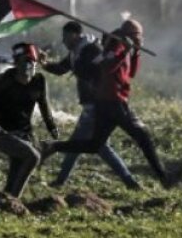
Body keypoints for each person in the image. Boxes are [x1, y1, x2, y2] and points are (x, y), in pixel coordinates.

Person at [43, 18, 182, 189]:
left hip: (107, 102)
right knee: (143, 138)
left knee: (95, 145)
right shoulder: (114, 45)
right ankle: (164, 177)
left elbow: (131, 73)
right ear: (133, 35)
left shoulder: (122, 46)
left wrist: (135, 53)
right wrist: (125, 52)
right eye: (139, 38)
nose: (141, 40)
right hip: (113, 100)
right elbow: (107, 68)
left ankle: (53, 146)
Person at [42, 21, 139, 189]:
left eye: (65, 37)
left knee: (79, 143)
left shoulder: (91, 50)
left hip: (96, 103)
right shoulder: (77, 52)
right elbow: (61, 69)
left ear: (74, 35)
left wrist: (78, 67)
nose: (63, 41)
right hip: (92, 104)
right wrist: (44, 63)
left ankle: (60, 180)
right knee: (99, 146)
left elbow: (95, 72)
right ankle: (130, 182)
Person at [0, 42, 58, 198]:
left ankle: (6, 199)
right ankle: (14, 200)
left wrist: (51, 126)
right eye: (24, 62)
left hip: (25, 135)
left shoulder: (39, 81)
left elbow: (44, 105)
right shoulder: (5, 80)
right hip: (5, 135)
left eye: (31, 61)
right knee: (33, 157)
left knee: (15, 173)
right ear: (17, 64)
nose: (28, 66)